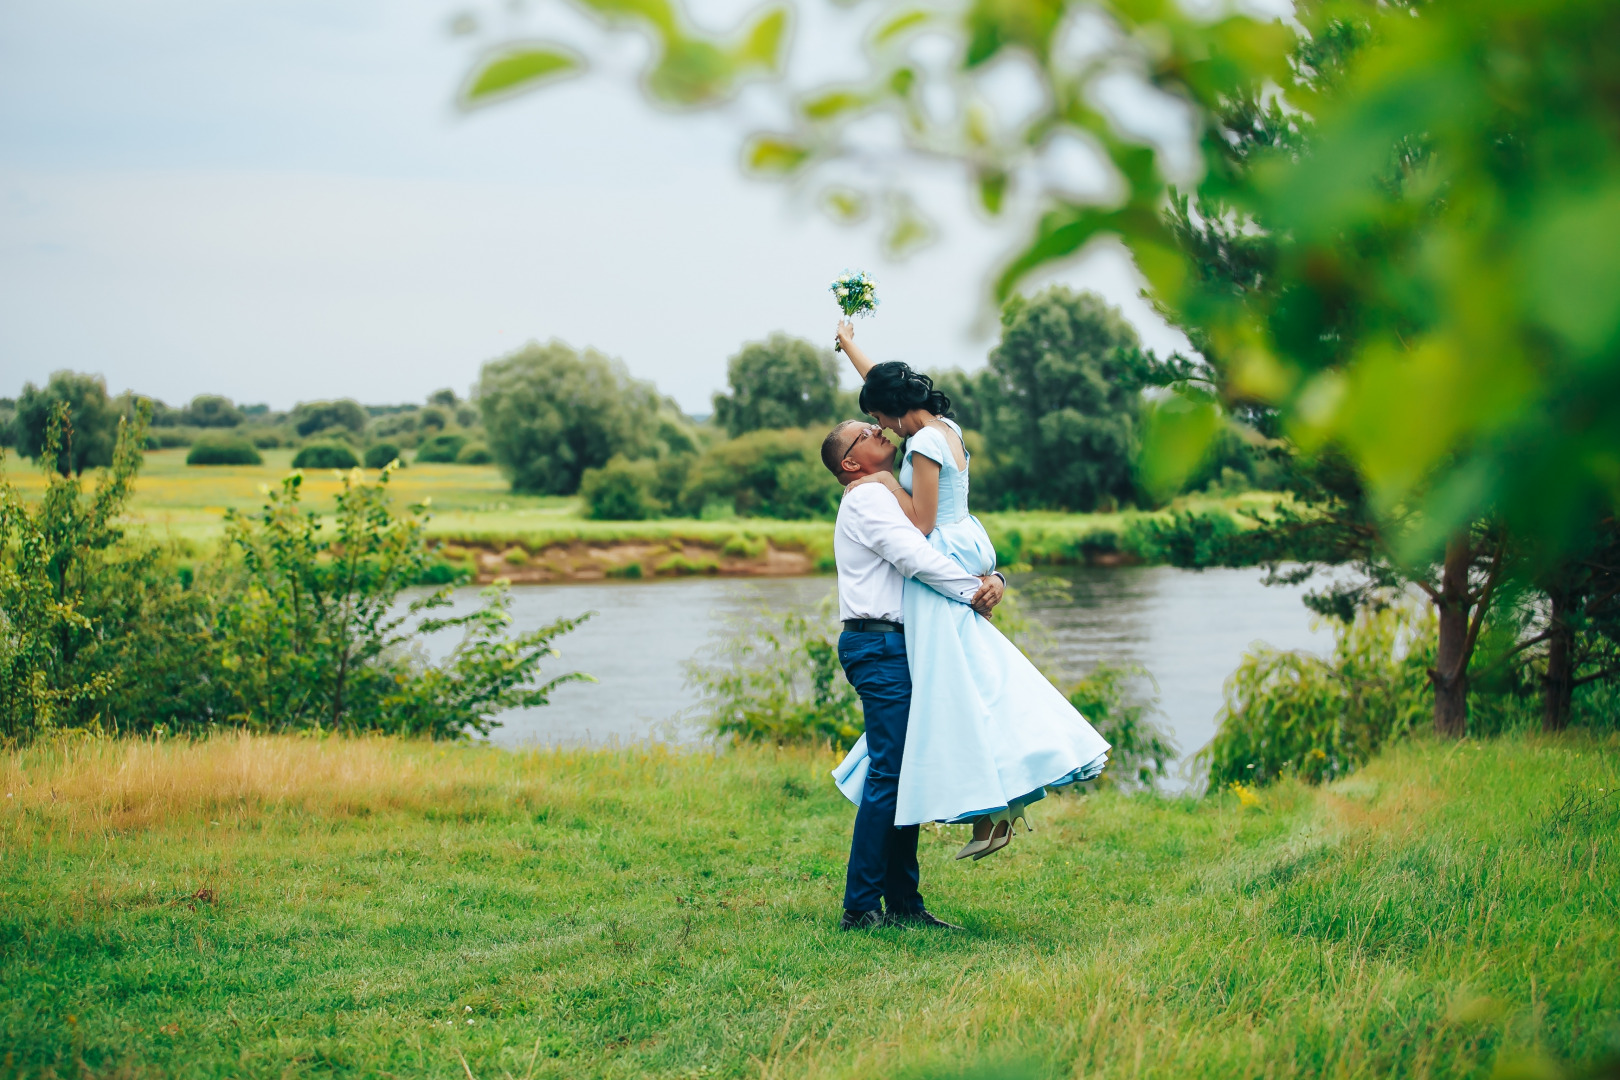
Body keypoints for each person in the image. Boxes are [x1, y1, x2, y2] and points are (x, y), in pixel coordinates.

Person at [828, 318, 1111, 861]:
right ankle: (993, 811)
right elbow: (884, 388)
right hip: (965, 551)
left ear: (891, 410)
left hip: (943, 562)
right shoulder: (943, 427)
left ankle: (995, 808)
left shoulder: (922, 447)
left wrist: (883, 480)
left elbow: (920, 523)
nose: (878, 430)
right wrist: (851, 349)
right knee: (967, 692)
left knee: (957, 696)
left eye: (876, 420)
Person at [819, 416, 1007, 930]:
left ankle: (903, 903)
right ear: (851, 462)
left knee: (903, 772)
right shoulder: (865, 499)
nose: (878, 431)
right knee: (890, 771)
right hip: (877, 644)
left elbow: (941, 539)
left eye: (875, 423)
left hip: (904, 643)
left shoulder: (889, 490)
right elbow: (916, 558)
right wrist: (975, 590)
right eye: (865, 432)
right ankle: (861, 907)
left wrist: (994, 577)